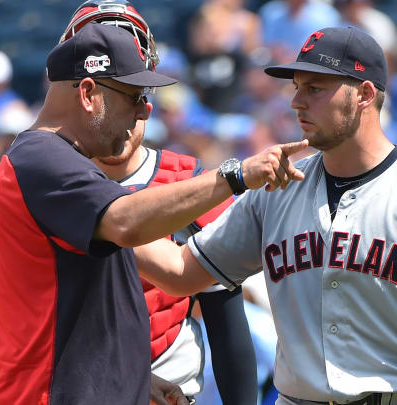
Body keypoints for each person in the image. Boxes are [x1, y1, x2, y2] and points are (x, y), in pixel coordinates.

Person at [0, 22, 308, 405]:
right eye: (134, 96)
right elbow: (125, 222)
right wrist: (235, 176)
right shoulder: (42, 160)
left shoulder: (59, 171)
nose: (144, 109)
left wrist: (132, 377)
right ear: (88, 94)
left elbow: (176, 273)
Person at [134, 26, 397, 405]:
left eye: (315, 88)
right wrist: (101, 214)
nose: (297, 102)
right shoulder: (275, 192)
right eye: (297, 87)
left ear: (364, 95)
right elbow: (183, 272)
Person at [58, 2, 258, 403]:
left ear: (145, 100)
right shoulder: (39, 175)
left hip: (172, 387)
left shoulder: (190, 183)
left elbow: (225, 318)